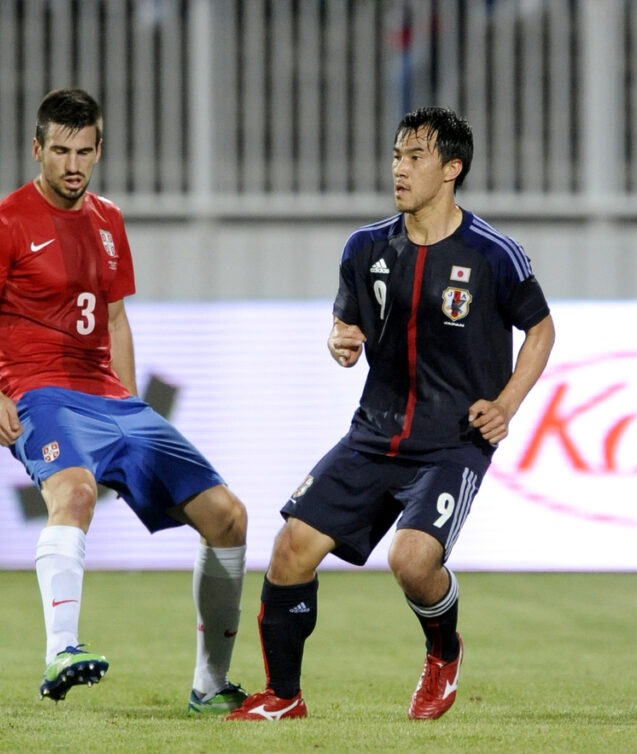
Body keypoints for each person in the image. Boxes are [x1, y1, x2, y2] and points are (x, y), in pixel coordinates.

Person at [226, 107, 555, 721]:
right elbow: (346, 322)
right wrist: (340, 339)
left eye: (416, 158)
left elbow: (540, 330)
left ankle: (443, 652)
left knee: (411, 561)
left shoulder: (493, 254)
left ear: (452, 168)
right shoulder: (366, 246)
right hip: (374, 434)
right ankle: (283, 697)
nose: (399, 169)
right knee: (291, 548)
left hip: (453, 441)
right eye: (397, 155)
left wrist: (506, 405)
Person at [0, 88, 248, 714]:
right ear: (37, 149)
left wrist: (133, 411)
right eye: (60, 151)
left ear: (100, 150)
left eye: (84, 151)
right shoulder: (1, 224)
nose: (73, 164)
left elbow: (115, 322)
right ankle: (61, 649)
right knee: (75, 493)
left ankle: (210, 685)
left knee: (229, 517)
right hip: (40, 392)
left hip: (111, 400)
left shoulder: (108, 219)